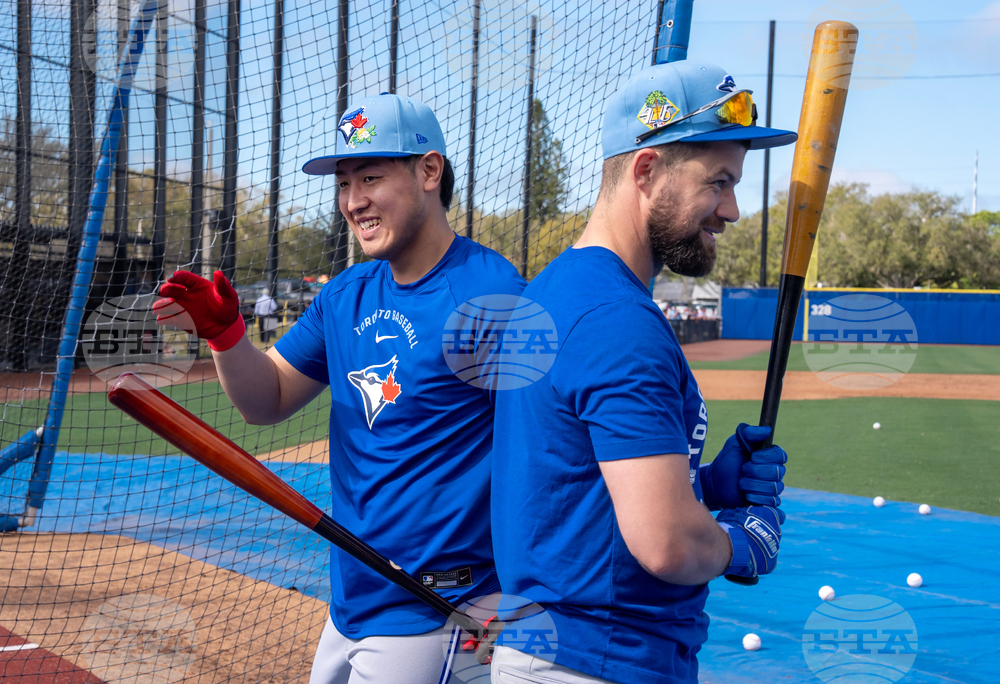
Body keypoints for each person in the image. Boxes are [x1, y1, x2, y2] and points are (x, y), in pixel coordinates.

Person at [153, 93, 525, 684]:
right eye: (344, 182)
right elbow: (266, 399)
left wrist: (525, 591)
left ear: (429, 172)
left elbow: (550, 449)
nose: (353, 201)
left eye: (371, 177)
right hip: (351, 596)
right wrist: (225, 335)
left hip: (436, 610)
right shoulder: (346, 293)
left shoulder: (491, 295)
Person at [490, 61, 794, 684]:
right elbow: (667, 545)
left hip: (555, 651)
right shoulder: (616, 321)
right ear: (648, 171)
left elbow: (574, 491)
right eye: (719, 182)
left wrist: (705, 487)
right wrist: (741, 542)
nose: (732, 209)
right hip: (600, 659)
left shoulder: (558, 289)